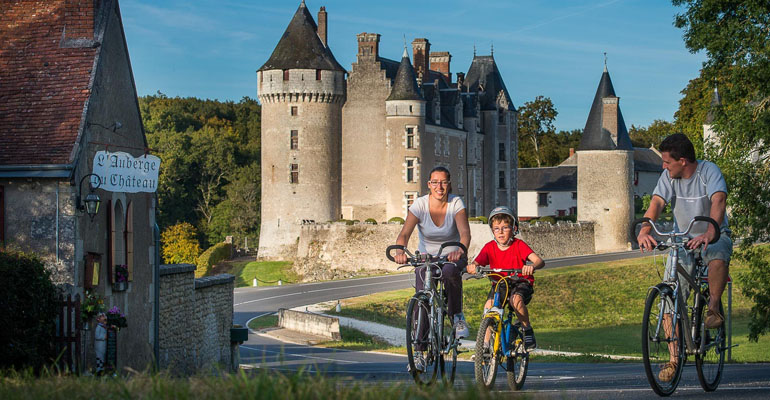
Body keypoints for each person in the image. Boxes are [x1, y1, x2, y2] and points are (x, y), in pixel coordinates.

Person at [636, 133, 732, 382]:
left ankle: (712, 309)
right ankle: (673, 360)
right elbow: (656, 203)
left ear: (683, 161)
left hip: (713, 232)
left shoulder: (708, 172)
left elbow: (718, 200)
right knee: (670, 295)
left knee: (718, 253)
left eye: (667, 162)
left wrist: (710, 233)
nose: (663, 166)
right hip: (683, 238)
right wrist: (645, 230)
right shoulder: (669, 177)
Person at [394, 166, 471, 371]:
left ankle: (457, 317)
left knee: (449, 272)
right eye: (435, 182)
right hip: (427, 258)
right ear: (428, 184)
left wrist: (460, 250)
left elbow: (465, 233)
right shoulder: (419, 205)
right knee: (421, 301)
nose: (439, 186)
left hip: (452, 256)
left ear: (449, 184)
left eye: (444, 182)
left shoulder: (456, 203)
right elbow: (404, 233)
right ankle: (418, 353)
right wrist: (400, 251)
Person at [467, 206, 544, 351]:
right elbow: (477, 262)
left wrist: (532, 266)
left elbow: (539, 261)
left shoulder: (519, 245)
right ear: (492, 231)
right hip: (500, 284)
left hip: (520, 282)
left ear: (514, 228)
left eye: (505, 227)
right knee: (489, 307)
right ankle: (484, 345)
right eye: (496, 228)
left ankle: (526, 329)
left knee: (516, 300)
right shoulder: (489, 247)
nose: (500, 232)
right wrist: (473, 266)